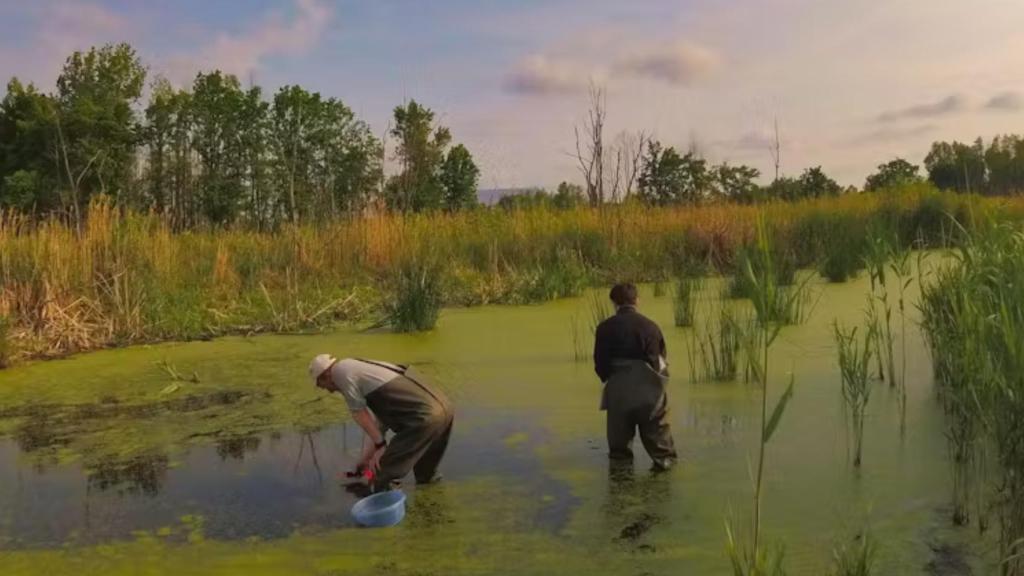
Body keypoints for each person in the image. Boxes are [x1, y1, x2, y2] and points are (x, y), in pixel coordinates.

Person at [309, 355, 454, 492]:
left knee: (382, 476)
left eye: (322, 385)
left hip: (425, 419)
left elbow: (358, 412)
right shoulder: (365, 373)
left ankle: (387, 510)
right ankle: (433, 511)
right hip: (444, 410)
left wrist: (380, 446)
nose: (329, 391)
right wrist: (364, 461)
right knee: (426, 476)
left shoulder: (339, 372)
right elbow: (380, 425)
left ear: (326, 375)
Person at [593, 283, 677, 471]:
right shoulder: (650, 327)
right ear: (637, 301)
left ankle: (622, 495)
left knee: (619, 457)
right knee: (664, 457)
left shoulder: (604, 329)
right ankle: (661, 491)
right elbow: (659, 362)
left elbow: (600, 366)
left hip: (619, 394)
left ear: (614, 303)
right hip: (649, 395)